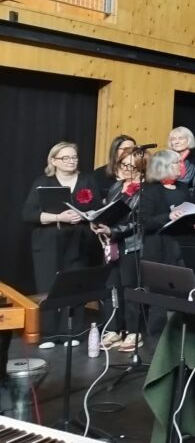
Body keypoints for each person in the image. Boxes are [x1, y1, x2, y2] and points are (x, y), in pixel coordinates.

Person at [22, 142, 100, 348]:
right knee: (48, 287)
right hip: (48, 242)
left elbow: (97, 209)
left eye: (74, 157)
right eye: (65, 158)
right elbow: (29, 214)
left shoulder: (87, 180)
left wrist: (87, 216)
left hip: (78, 242)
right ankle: (49, 334)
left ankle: (71, 333)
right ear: (53, 161)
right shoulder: (43, 182)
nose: (71, 161)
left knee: (74, 285)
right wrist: (59, 217)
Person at [138, 149, 195, 335]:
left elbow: (189, 214)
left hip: (182, 247)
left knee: (187, 292)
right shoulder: (150, 190)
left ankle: (186, 334)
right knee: (159, 296)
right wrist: (167, 216)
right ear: (164, 166)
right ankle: (158, 339)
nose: (181, 166)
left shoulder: (183, 188)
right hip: (160, 248)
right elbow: (144, 222)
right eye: (177, 163)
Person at [92, 147, 146, 352]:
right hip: (112, 243)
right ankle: (114, 329)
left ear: (141, 168)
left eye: (131, 166)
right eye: (123, 165)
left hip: (132, 244)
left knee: (130, 287)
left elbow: (139, 221)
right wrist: (98, 223)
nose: (125, 169)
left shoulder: (145, 189)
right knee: (112, 286)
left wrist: (113, 230)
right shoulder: (116, 186)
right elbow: (109, 212)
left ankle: (133, 331)